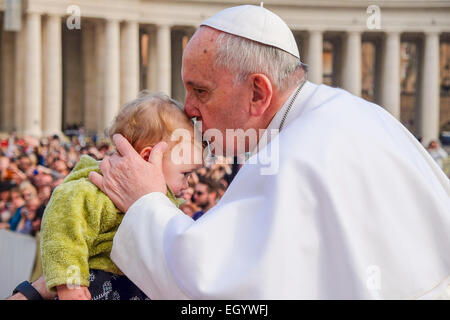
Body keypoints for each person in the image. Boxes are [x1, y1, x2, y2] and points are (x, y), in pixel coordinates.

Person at [17, 5, 450, 300]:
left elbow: (215, 288)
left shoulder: (297, 155)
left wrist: (146, 201)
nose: (187, 109)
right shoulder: (360, 117)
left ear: (258, 92)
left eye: (201, 90)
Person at [39, 93, 201, 300]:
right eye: (185, 173)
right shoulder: (89, 191)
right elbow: (64, 236)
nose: (188, 184)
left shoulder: (165, 201)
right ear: (150, 157)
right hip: (96, 288)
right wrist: (71, 286)